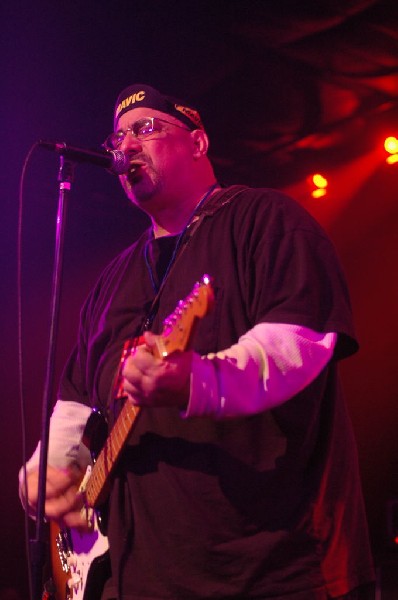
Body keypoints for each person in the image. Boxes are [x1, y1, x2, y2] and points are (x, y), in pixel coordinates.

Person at [20, 83, 375, 599]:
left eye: (145, 129)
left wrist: (198, 380)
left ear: (198, 143)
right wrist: (48, 472)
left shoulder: (265, 220)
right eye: (118, 137)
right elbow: (76, 404)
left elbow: (297, 342)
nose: (126, 147)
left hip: (272, 573)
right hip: (139, 579)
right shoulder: (113, 280)